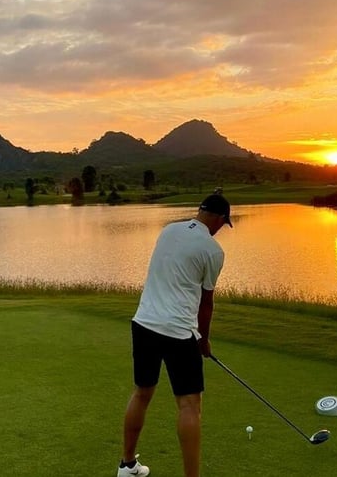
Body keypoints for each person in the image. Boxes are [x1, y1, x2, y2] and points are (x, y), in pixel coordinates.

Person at [117, 193, 233, 477]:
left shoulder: (169, 230)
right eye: (223, 223)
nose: (221, 228)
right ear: (218, 219)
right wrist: (203, 340)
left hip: (144, 323)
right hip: (179, 332)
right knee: (189, 405)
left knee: (142, 392)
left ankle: (127, 464)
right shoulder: (213, 250)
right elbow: (206, 304)